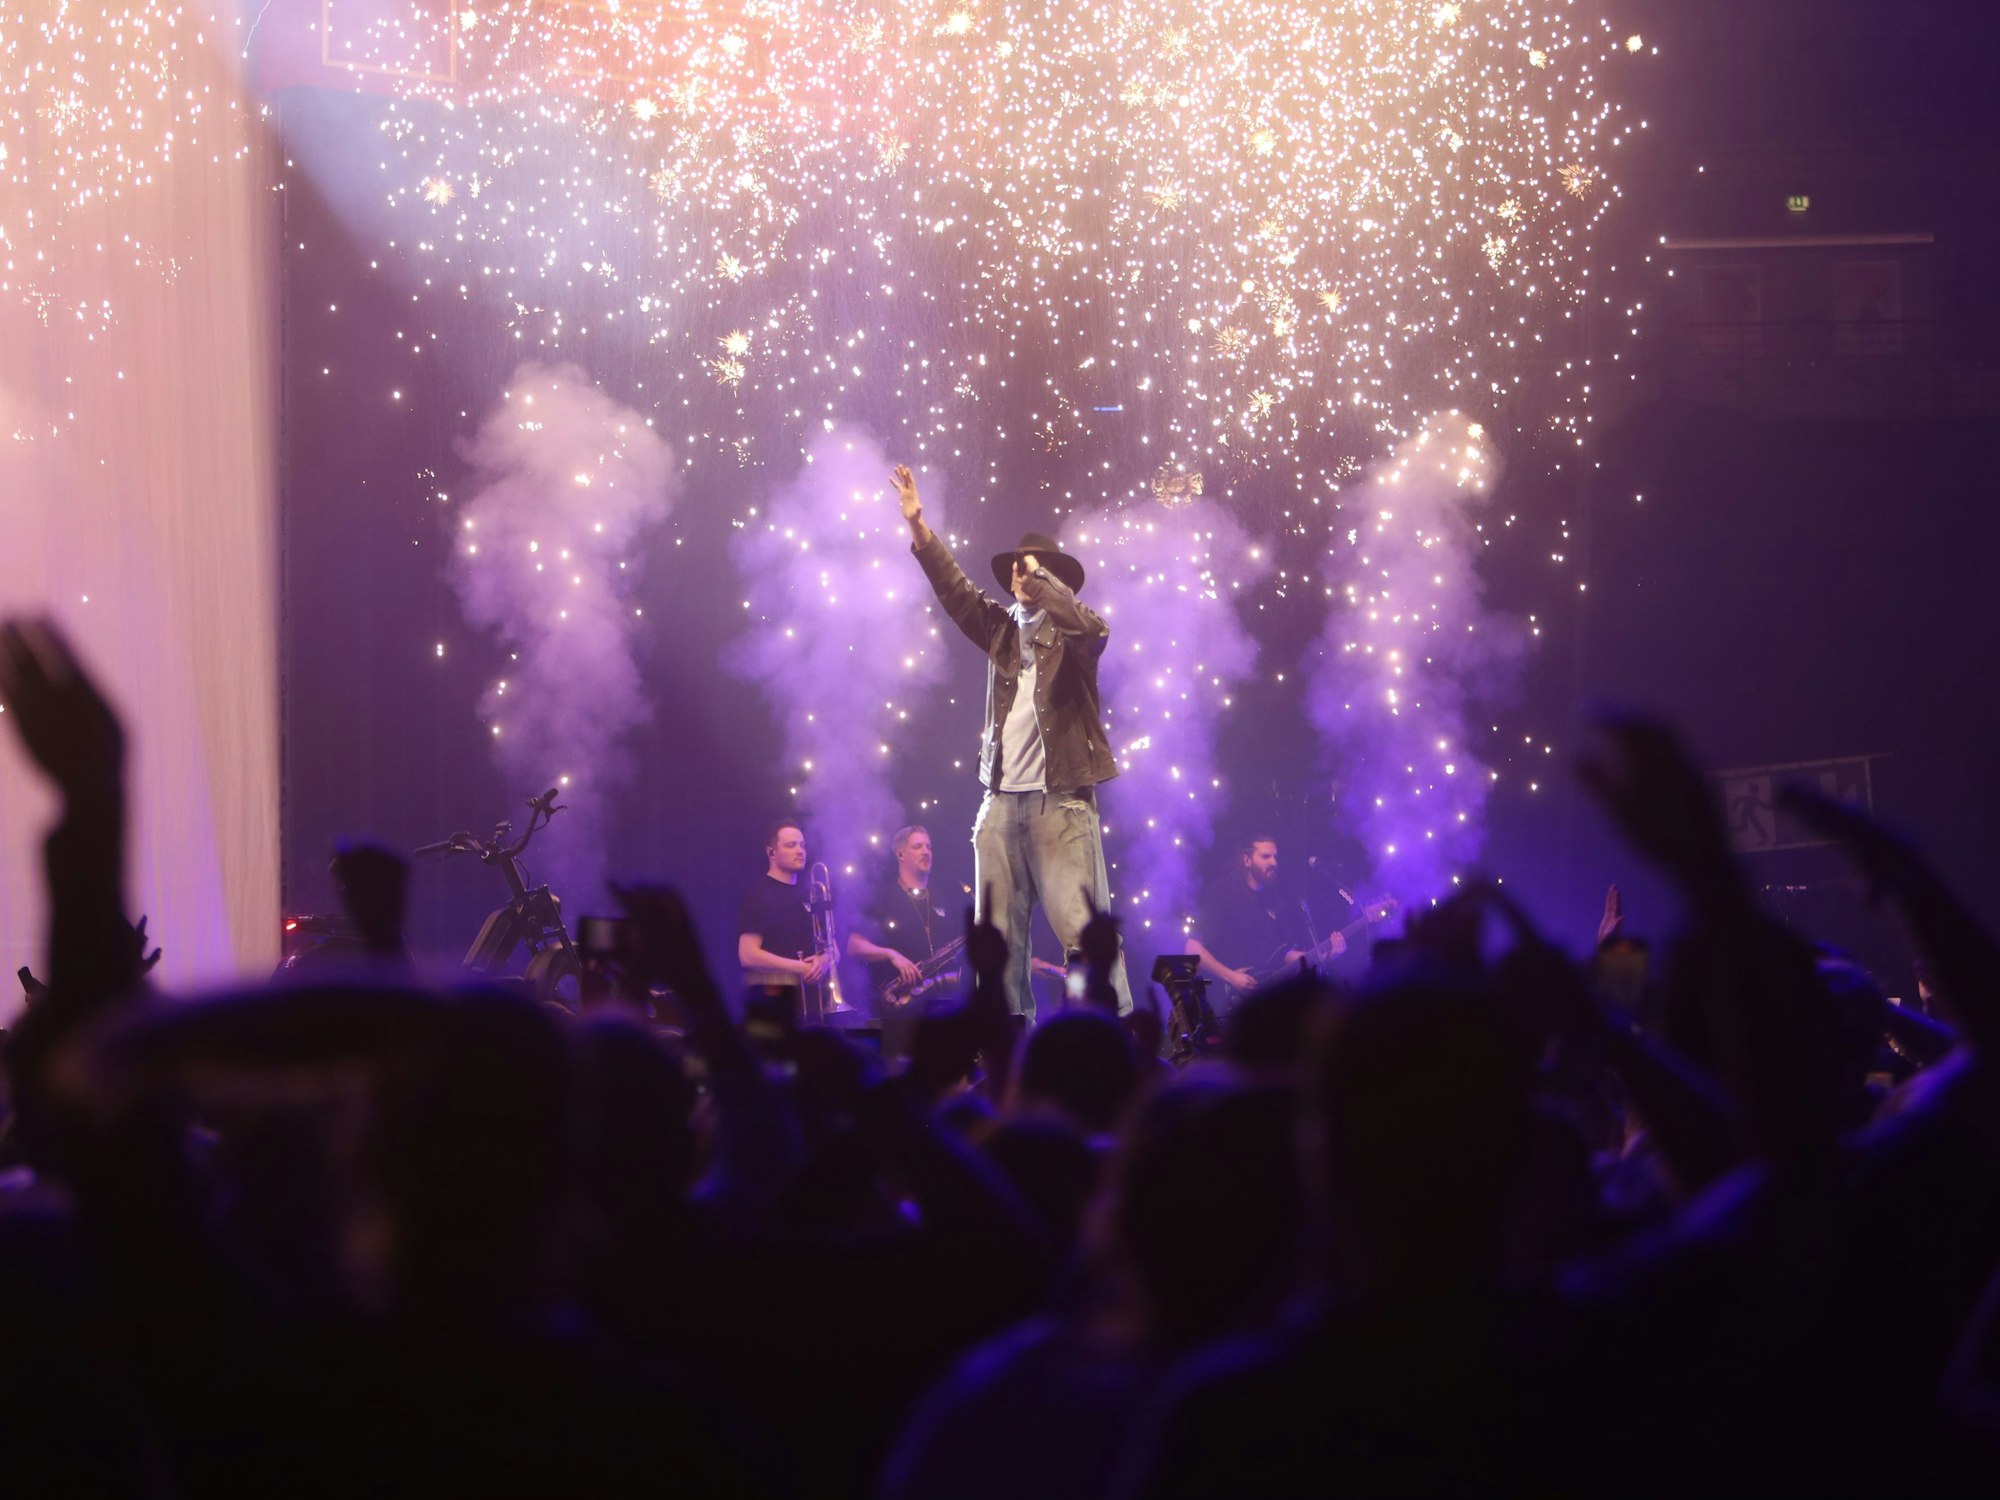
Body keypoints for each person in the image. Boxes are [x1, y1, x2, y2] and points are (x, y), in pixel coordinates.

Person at [890, 462, 1133, 1019]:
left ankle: (1097, 1033)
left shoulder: (1073, 635)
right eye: (1020, 572)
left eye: (1034, 571)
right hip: (999, 802)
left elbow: (1092, 629)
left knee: (1080, 934)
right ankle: (1001, 1050)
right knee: (994, 945)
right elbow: (956, 592)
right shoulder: (1000, 629)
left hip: (1061, 802)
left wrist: (1046, 583)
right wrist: (919, 529)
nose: (1022, 578)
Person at [849, 825, 962, 1055]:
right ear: (900, 854)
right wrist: (892, 955)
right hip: (897, 1010)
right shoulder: (883, 896)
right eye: (917, 846)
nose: (926, 851)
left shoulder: (941, 896)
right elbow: (853, 945)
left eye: (929, 846)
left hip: (940, 1012)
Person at [1184, 836, 1325, 1004]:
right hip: (1227, 1001)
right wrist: (1232, 977)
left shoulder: (1273, 899)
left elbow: (1280, 954)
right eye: (1266, 857)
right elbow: (1192, 949)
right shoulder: (1223, 893)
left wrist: (1322, 953)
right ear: (1247, 860)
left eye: (1275, 857)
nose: (1273, 862)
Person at [735, 821, 830, 995]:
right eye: (791, 845)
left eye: (802, 845)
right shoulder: (758, 894)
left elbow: (832, 946)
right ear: (771, 852)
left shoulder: (812, 892)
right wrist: (800, 968)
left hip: (815, 1000)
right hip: (776, 1001)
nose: (800, 851)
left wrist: (825, 960)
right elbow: (747, 955)